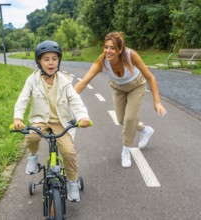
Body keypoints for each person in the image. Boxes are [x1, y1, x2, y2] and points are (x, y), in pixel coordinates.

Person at [74, 32, 167, 168]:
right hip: (118, 88)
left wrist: (157, 101)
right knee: (121, 120)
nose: (108, 51)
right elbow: (83, 83)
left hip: (136, 86)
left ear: (120, 49)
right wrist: (66, 98)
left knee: (129, 119)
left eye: (112, 48)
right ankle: (144, 129)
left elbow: (150, 77)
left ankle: (126, 150)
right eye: (106, 47)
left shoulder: (131, 55)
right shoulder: (102, 62)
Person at [13, 40, 91, 202]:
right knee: (32, 136)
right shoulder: (32, 80)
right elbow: (23, 98)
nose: (51, 62)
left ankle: (72, 182)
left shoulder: (64, 81)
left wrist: (83, 116)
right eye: (46, 59)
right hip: (40, 120)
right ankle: (33, 157)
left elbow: (75, 100)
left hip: (61, 123)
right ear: (39, 62)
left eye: (54, 59)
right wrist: (18, 118)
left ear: (59, 61)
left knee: (69, 152)